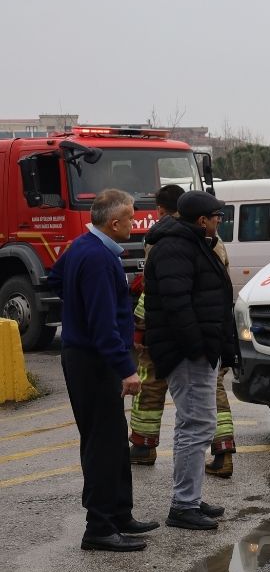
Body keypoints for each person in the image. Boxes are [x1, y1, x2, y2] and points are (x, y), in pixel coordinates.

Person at [49, 189, 157, 552]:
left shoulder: (82, 246)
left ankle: (119, 514)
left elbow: (55, 279)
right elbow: (102, 324)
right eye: (129, 217)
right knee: (102, 444)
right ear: (114, 223)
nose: (134, 221)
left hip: (86, 356)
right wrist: (126, 369)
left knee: (112, 440)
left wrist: (74, 309)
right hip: (92, 361)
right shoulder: (97, 258)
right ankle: (98, 527)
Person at [128, 186, 238, 477]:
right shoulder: (214, 242)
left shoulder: (163, 241)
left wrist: (140, 329)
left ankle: (143, 446)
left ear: (165, 210)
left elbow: (159, 295)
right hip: (208, 332)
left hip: (175, 334)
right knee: (212, 392)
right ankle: (222, 449)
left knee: (150, 382)